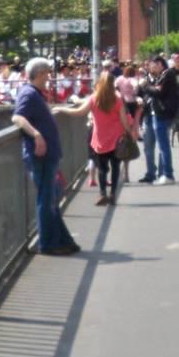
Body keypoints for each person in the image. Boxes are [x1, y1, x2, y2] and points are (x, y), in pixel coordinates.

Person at [11, 58, 80, 256]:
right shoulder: (29, 93)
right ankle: (48, 243)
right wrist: (36, 134)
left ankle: (62, 240)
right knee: (46, 199)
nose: (49, 76)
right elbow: (17, 117)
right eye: (47, 73)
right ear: (40, 73)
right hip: (41, 155)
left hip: (47, 155)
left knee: (49, 199)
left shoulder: (35, 94)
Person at [65, 70, 135, 206]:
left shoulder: (94, 98)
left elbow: (80, 112)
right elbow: (124, 121)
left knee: (102, 169)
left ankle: (102, 193)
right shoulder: (117, 99)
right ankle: (113, 194)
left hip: (100, 139)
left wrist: (62, 110)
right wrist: (129, 133)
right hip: (117, 139)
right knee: (115, 167)